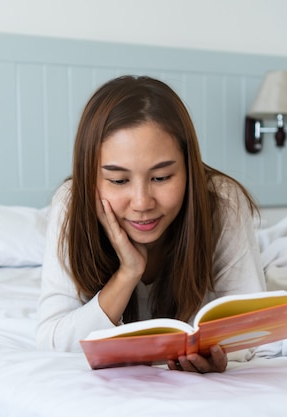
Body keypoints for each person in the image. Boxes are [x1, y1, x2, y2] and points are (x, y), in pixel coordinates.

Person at [36, 75, 265, 373]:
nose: (142, 202)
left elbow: (253, 329)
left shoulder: (221, 202)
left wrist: (222, 355)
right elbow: (52, 341)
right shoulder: (71, 203)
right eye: (119, 180)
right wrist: (127, 273)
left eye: (161, 178)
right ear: (90, 178)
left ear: (189, 169)